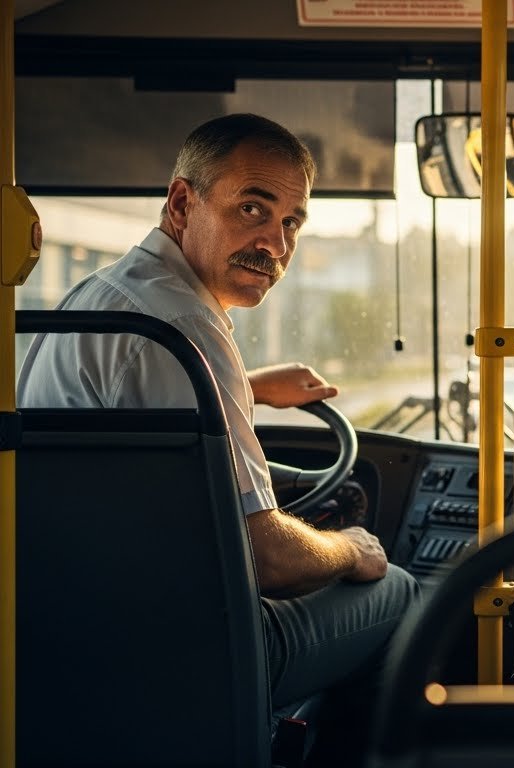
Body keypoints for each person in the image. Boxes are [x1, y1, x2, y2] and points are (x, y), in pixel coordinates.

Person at [18, 114, 419, 742]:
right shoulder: (181, 328)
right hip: (177, 644)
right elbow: (267, 556)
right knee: (396, 590)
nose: (276, 245)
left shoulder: (104, 296)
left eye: (290, 223)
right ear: (182, 202)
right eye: (253, 209)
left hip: (74, 621)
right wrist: (350, 549)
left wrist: (248, 386)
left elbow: (127, 416)